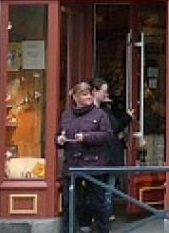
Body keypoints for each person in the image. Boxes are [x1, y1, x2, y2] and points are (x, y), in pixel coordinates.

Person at [58, 81, 115, 233]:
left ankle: (103, 230)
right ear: (75, 98)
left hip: (94, 164)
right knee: (69, 203)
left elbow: (107, 135)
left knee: (98, 203)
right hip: (72, 164)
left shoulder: (99, 114)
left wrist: (86, 137)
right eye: (84, 95)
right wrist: (59, 140)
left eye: (89, 94)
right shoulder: (66, 115)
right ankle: (69, 230)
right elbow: (59, 134)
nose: (89, 97)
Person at [90, 78, 134, 222]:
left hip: (108, 156)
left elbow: (114, 127)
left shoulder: (104, 109)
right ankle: (102, 220)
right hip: (102, 157)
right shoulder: (96, 111)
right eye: (104, 91)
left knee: (105, 191)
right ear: (94, 91)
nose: (106, 94)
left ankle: (102, 220)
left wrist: (126, 116)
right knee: (105, 191)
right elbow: (114, 127)